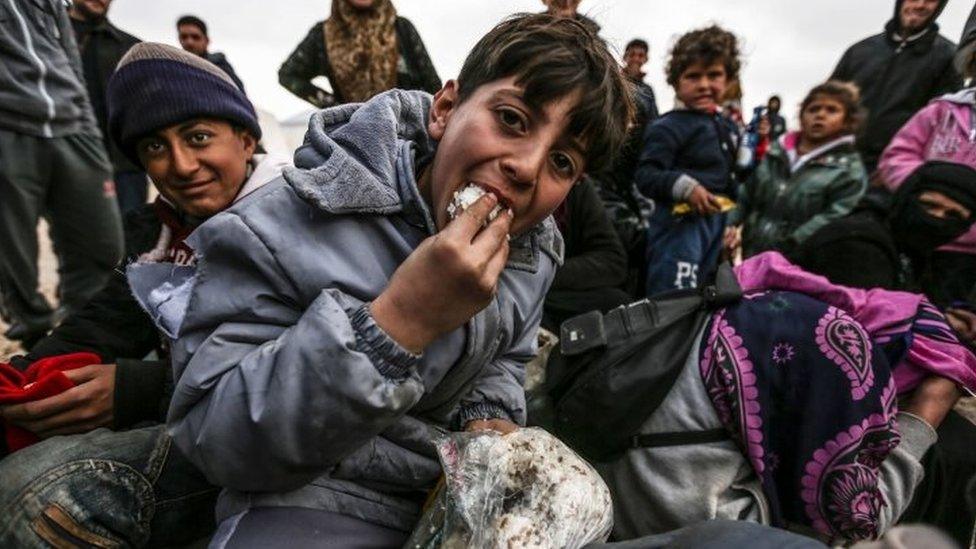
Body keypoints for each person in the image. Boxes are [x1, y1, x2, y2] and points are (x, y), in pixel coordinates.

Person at [127, 13, 630, 546]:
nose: (527, 167)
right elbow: (217, 438)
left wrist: (489, 421)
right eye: (511, 119)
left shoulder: (534, 250)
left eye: (561, 161)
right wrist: (400, 322)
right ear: (444, 109)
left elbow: (505, 356)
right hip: (310, 496)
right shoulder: (280, 225)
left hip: (445, 493)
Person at [0, 43, 290, 547]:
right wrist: (24, 378)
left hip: (265, 447)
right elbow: (107, 319)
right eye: (155, 147)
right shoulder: (162, 231)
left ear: (247, 140)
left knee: (34, 496)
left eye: (198, 137)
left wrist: (139, 390)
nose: (181, 165)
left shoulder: (297, 220)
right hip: (187, 420)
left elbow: (311, 363)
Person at [598, 251, 975, 544]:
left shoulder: (759, 326)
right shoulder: (840, 366)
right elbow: (856, 520)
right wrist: (924, 414)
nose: (885, 429)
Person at [0, 0, 123, 348]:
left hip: (75, 127)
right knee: (13, 258)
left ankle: (84, 339)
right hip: (8, 127)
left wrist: (90, 132)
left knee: (102, 245)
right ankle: (34, 340)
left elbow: (70, 64)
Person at [636, 25, 743, 296]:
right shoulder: (667, 126)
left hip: (715, 225)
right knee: (672, 299)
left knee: (703, 294)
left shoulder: (728, 127)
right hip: (678, 228)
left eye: (714, 75)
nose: (704, 84)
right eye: (693, 76)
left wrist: (733, 222)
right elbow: (646, 175)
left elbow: (732, 179)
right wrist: (686, 188)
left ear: (728, 80)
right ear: (676, 82)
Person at [731, 81, 868, 258]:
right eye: (814, 109)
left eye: (831, 110)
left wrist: (792, 244)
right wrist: (730, 224)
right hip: (754, 256)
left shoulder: (848, 170)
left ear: (848, 121)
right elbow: (746, 193)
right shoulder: (775, 153)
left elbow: (836, 215)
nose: (820, 115)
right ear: (802, 115)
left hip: (803, 262)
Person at [830, 0, 960, 173]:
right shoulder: (859, 51)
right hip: (837, 164)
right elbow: (827, 101)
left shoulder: (950, 58)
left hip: (894, 172)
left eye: (930, 0)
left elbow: (944, 126)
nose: (920, 5)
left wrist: (903, 167)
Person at [278, 0, 441, 109]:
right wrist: (336, 107)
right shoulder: (323, 36)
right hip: (353, 143)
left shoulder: (402, 29)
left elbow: (433, 88)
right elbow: (288, 75)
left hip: (408, 141)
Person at [69, 0, 146, 217]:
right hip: (66, 162)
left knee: (130, 241)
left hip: (124, 167)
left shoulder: (130, 48)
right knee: (77, 243)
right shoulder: (46, 42)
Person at [542, 178, 630, 331]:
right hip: (507, 288)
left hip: (551, 290)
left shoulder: (577, 186)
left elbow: (612, 260)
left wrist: (544, 273)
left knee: (617, 306)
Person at [176, 14, 245, 93]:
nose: (189, 42)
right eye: (184, 37)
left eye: (195, 37)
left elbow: (240, 95)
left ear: (207, 40)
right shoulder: (175, 68)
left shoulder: (219, 65)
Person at [622, 38, 660, 122]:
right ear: (625, 57)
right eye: (632, 54)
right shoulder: (614, 82)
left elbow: (653, 120)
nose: (636, 59)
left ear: (646, 59)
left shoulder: (648, 91)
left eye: (640, 55)